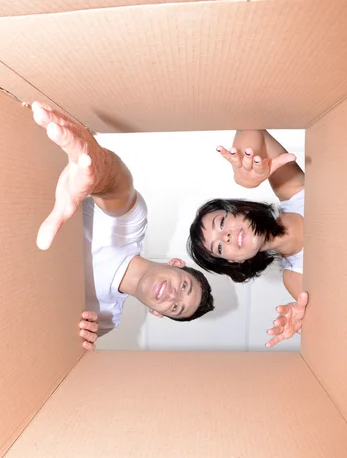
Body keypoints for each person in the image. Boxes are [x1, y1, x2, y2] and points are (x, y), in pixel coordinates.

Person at [32, 102, 214, 349]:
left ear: (157, 313)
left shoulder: (106, 319)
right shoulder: (131, 228)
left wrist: (69, 340)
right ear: (175, 263)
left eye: (175, 307)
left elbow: (48, 334)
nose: (173, 294)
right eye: (184, 285)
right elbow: (119, 188)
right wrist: (97, 167)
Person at [188, 129, 308, 348]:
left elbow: (253, 127)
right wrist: (309, 326)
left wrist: (245, 168)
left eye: (222, 223)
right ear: (236, 262)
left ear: (240, 210)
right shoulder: (295, 278)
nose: (226, 236)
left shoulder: (292, 189)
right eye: (220, 248)